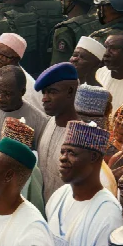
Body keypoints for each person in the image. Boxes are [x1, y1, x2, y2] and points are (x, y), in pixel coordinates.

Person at [34, 63, 80, 196]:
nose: (44, 99)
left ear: (70, 91)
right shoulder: (48, 123)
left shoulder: (80, 136)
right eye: (44, 92)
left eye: (52, 92)